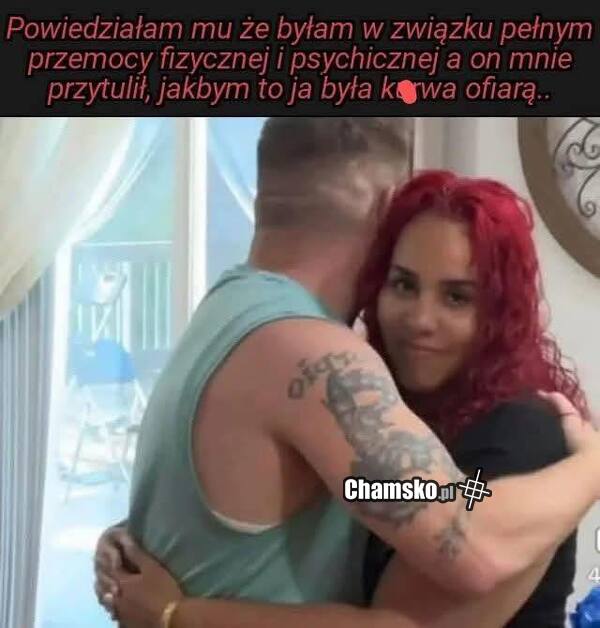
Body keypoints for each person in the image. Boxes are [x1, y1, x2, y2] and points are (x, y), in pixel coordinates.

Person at [95, 122, 600, 627]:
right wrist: (146, 544)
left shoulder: (525, 433)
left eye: (457, 297)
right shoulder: (324, 363)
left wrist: (176, 613)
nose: (420, 319)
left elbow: (433, 590)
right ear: (386, 210)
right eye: (403, 284)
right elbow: (437, 500)